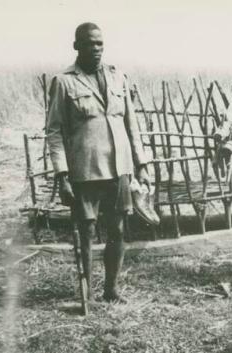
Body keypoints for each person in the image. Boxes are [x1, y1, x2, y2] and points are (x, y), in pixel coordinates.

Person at [47, 22, 151, 302]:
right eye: (89, 43)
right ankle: (87, 293)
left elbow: (132, 125)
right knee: (87, 231)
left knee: (117, 229)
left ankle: (111, 290)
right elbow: (54, 131)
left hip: (119, 167)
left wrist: (142, 164)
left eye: (100, 44)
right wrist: (62, 175)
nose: (96, 49)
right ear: (76, 46)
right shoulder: (64, 81)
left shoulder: (119, 78)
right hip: (85, 170)